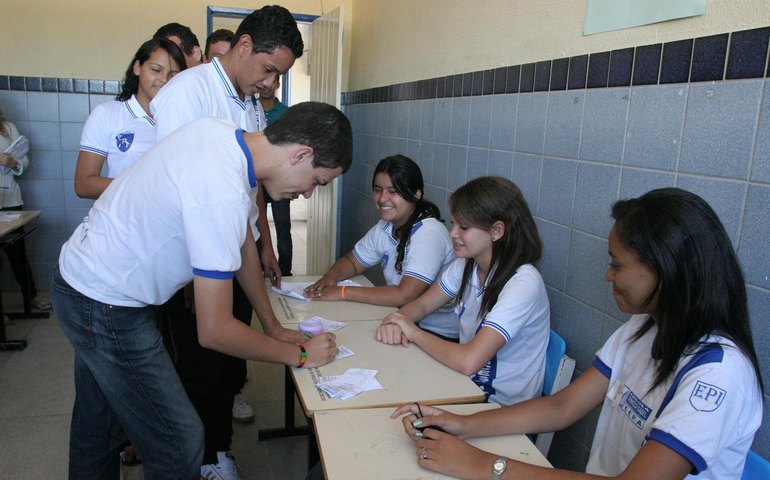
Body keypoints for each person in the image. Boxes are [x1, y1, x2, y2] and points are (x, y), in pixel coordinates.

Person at [52, 101, 352, 480]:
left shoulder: (224, 137)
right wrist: (302, 356)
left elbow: (242, 241)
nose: (308, 194)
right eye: (317, 181)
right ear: (301, 154)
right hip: (106, 304)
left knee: (98, 426)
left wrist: (272, 325)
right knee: (178, 441)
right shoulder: (221, 187)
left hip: (83, 281)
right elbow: (214, 331)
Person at [392, 187, 764, 480]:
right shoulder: (641, 329)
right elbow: (562, 406)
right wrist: (464, 424)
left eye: (617, 266)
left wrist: (484, 465)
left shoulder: (718, 374)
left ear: (665, 272)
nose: (608, 277)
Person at [150, 6, 305, 477]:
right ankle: (197, 457)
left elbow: (250, 188)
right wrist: (193, 283)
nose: (271, 84)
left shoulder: (249, 103)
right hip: (195, 260)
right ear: (243, 46)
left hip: (233, 251)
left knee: (224, 366)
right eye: (269, 70)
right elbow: (176, 189)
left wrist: (263, 247)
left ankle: (216, 450)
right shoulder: (188, 93)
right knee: (198, 363)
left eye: (278, 75)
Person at [378, 176, 550, 407]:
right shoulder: (467, 265)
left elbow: (469, 361)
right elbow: (422, 305)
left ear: (497, 231)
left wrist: (413, 332)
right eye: (454, 223)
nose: (452, 233)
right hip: (464, 386)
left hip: (499, 407)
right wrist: (397, 320)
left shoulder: (523, 284)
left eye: (464, 227)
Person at [304, 155, 458, 340]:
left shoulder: (429, 233)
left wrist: (342, 292)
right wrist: (330, 278)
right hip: (404, 319)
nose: (383, 198)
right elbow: (353, 262)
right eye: (378, 190)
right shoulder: (385, 227)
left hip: (437, 332)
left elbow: (405, 295)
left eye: (393, 191)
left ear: (416, 194)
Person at [74, 38, 185, 199]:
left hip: (167, 222)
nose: (164, 79)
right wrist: (142, 186)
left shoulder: (184, 121)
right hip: (120, 221)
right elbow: (84, 185)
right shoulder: (108, 114)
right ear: (138, 67)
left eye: (173, 75)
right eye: (156, 69)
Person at [0, 111, 50, 311]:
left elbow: (24, 160)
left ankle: (31, 297)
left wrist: (12, 163)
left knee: (17, 253)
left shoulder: (7, 127)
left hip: (9, 198)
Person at [259, 75, 293, 277]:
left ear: (278, 84)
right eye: (263, 80)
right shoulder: (249, 109)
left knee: (283, 229)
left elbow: (291, 149)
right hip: (256, 182)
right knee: (256, 228)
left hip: (280, 180)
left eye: (272, 81)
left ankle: (286, 272)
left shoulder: (286, 113)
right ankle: (260, 270)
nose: (266, 85)